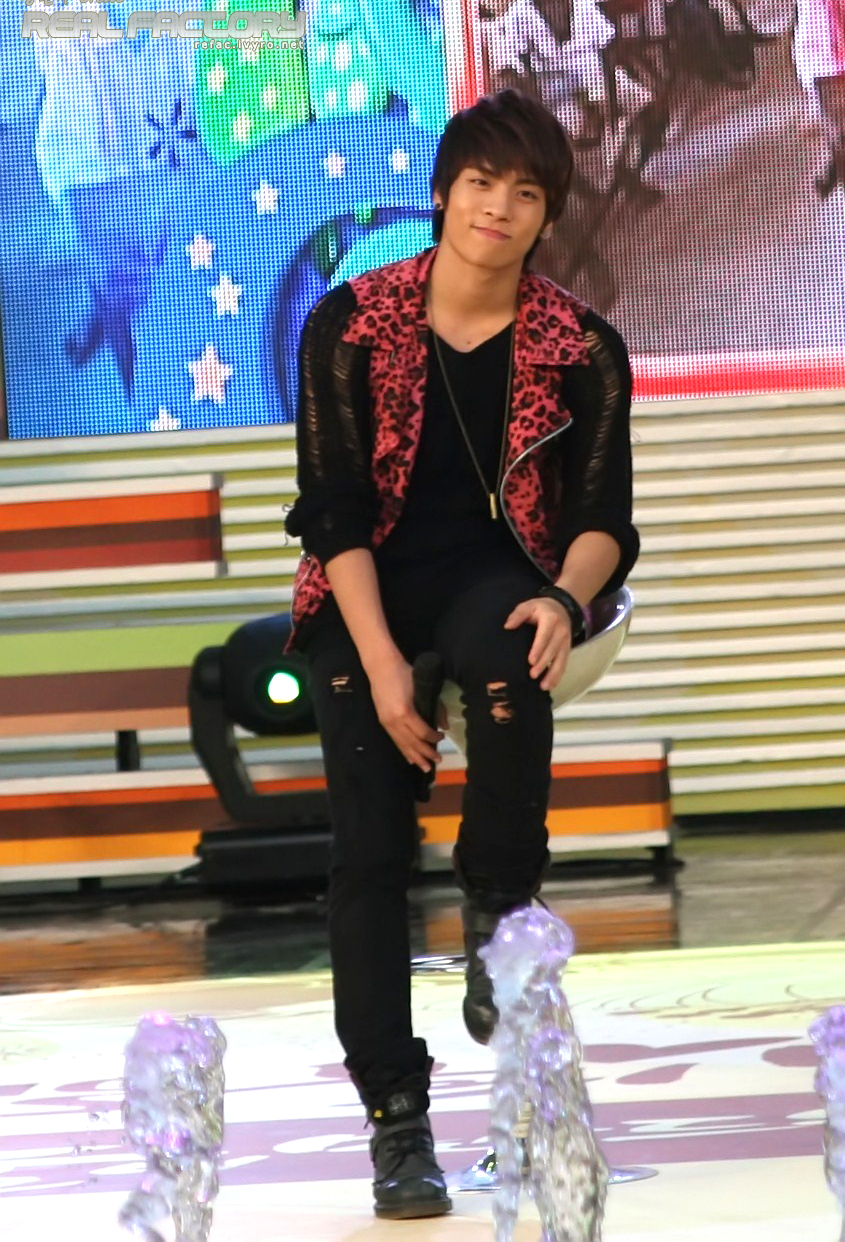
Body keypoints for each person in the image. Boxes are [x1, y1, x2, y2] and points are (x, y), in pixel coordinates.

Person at [283, 88, 640, 1221]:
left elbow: (603, 519)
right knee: (368, 849)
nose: (499, 208)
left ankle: (498, 904)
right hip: (366, 588)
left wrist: (568, 600)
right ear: (443, 194)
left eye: (525, 193)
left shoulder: (582, 347)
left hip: (503, 574)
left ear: (548, 216)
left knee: (510, 649)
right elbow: (333, 513)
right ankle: (397, 1119)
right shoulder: (350, 324)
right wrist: (385, 668)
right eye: (481, 184)